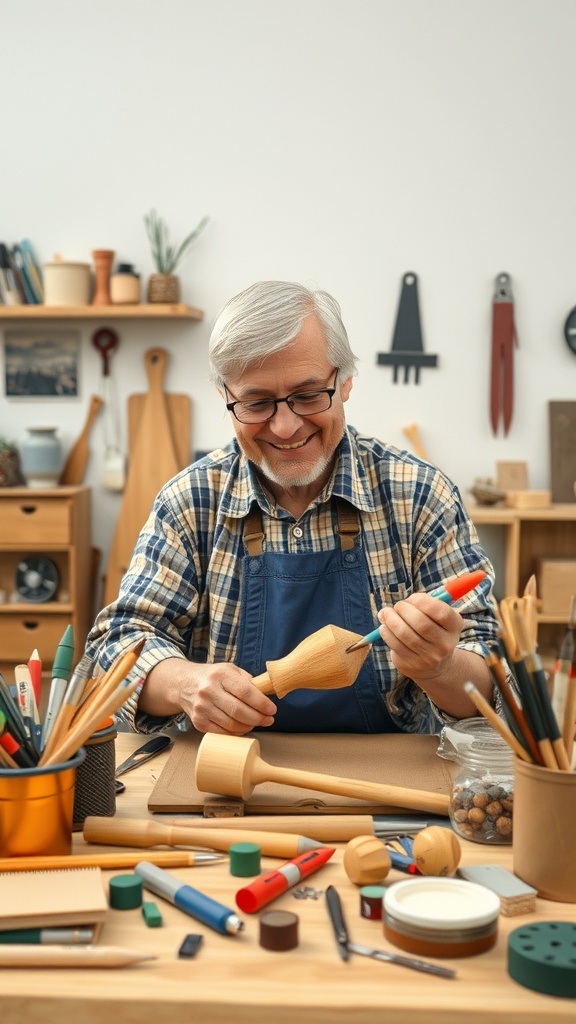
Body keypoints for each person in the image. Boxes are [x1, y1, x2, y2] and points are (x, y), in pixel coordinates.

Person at [84, 280, 498, 736]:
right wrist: (184, 683)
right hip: (222, 775)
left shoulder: (420, 495)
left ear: (345, 382)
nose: (284, 426)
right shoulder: (191, 500)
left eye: (307, 395)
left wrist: (440, 668)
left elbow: (495, 686)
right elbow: (118, 647)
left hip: (394, 783)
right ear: (227, 397)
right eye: (257, 403)